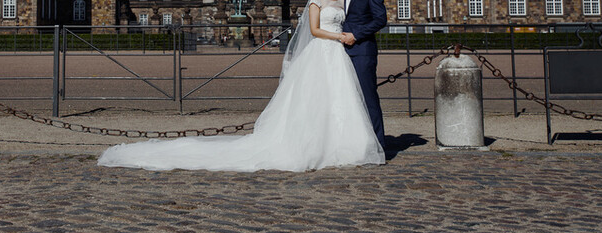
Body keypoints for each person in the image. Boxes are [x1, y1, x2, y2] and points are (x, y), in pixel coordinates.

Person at [97, 0, 385, 172]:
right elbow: (314, 29)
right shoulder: (317, 1)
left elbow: (371, 18)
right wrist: (339, 38)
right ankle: (320, 145)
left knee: (344, 99)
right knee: (316, 100)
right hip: (329, 49)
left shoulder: (339, 2)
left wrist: (347, 36)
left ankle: (352, 145)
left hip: (341, 53)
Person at [341, 0, 388, 149]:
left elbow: (380, 19)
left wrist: (356, 35)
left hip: (362, 51)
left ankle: (377, 146)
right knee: (343, 99)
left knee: (368, 98)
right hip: (337, 52)